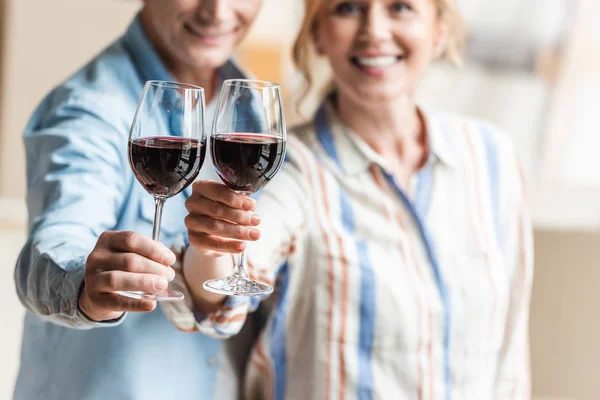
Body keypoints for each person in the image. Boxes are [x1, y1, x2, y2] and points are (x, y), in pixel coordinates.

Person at [162, 0, 534, 398]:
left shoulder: (491, 157)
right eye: (349, 8)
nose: (373, 30)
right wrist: (213, 241)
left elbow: (509, 353)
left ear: (439, 30)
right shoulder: (290, 170)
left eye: (401, 8)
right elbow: (219, 294)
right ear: (318, 34)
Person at [13, 1, 264, 399]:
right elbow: (56, 240)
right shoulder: (88, 107)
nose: (217, 11)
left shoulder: (251, 102)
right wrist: (85, 287)